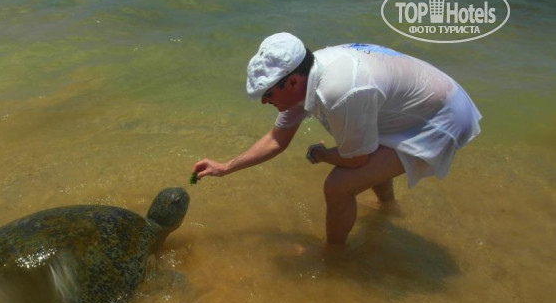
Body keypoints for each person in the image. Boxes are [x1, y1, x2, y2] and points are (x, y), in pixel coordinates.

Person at [192, 33, 482, 245]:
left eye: (267, 93)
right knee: (363, 146)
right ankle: (388, 209)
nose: (264, 101)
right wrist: (226, 167)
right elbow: (277, 139)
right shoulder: (307, 72)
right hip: (421, 100)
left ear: (292, 81)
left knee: (338, 186)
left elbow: (357, 159)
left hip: (440, 116)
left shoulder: (338, 92)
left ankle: (334, 257)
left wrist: (319, 154)